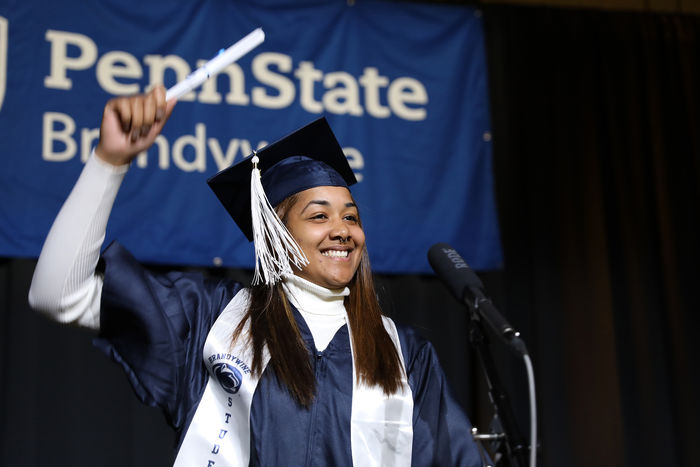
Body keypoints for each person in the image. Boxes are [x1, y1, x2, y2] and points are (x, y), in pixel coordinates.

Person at [29, 86, 486, 466]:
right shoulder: (210, 320)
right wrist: (110, 161)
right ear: (276, 235)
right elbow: (57, 294)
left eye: (351, 216)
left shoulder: (401, 353)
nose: (342, 231)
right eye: (319, 216)